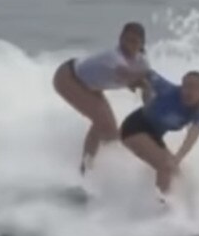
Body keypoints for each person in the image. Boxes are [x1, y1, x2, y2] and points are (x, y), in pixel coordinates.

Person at [53, 22, 150, 174]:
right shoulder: (113, 57)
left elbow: (145, 88)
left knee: (112, 134)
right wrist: (144, 79)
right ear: (120, 39)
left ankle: (106, 171)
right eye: (125, 39)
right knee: (101, 121)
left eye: (134, 41)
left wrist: (149, 109)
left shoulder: (142, 63)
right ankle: (85, 169)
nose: (128, 45)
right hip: (68, 77)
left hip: (90, 86)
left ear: (141, 44)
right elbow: (125, 74)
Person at [120, 68, 199, 199]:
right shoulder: (168, 90)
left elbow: (192, 137)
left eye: (194, 88)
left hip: (153, 135)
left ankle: (179, 207)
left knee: (176, 172)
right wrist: (136, 84)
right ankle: (161, 207)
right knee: (165, 166)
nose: (188, 91)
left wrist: (177, 158)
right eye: (186, 86)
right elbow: (145, 71)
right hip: (134, 127)